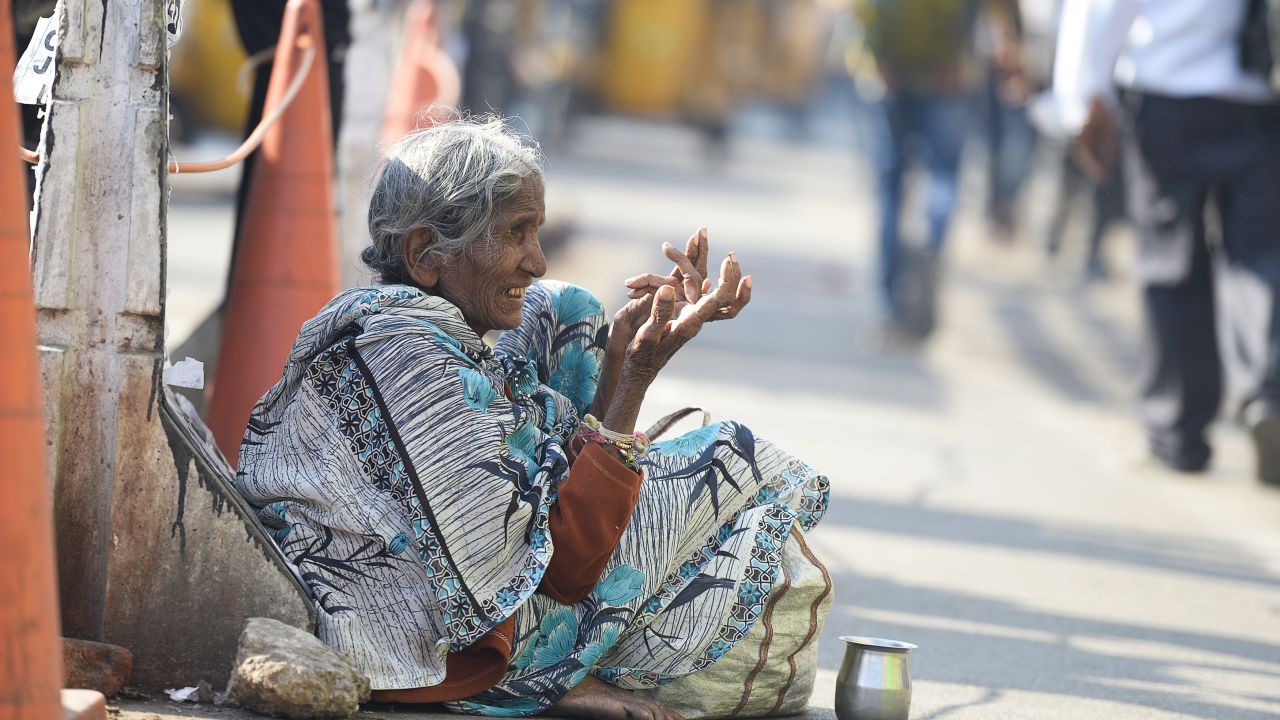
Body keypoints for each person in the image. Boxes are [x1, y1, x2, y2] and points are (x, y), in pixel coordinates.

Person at [230, 117, 831, 718]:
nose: (536, 260)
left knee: (566, 309)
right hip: (433, 648)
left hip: (444, 577)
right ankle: (534, 678)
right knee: (735, 454)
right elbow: (566, 567)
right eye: (516, 235)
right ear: (424, 254)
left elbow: (543, 487)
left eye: (536, 233)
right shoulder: (419, 363)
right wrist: (637, 381)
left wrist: (621, 356)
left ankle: (561, 665)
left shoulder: (390, 322)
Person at [1052, 0, 1280, 483]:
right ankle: (1267, 391)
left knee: (1170, 262)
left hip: (1167, 91)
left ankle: (1177, 430)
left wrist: (1081, 98)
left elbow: (1101, 9)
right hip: (1260, 91)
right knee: (1261, 256)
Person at [853, 0, 1020, 340]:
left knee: (890, 188)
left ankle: (891, 305)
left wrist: (870, 55)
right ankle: (931, 245)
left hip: (890, 71)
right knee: (943, 178)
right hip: (951, 74)